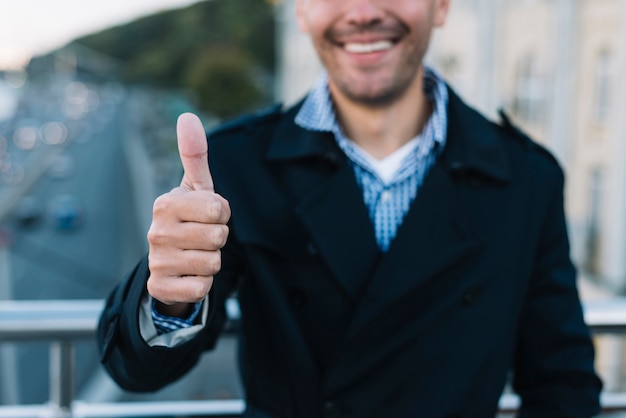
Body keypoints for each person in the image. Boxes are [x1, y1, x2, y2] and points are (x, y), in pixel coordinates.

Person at [97, 0, 603, 416]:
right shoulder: (236, 164)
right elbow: (137, 372)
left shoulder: (527, 177)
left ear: (442, 5)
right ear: (300, 12)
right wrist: (168, 297)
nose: (361, 11)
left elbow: (562, 379)